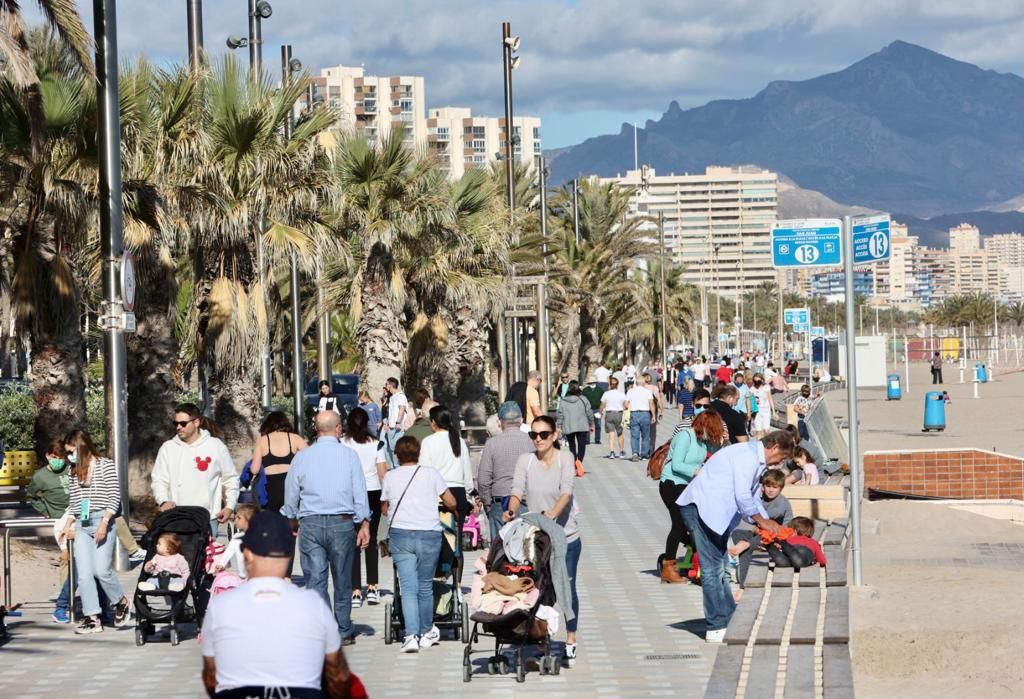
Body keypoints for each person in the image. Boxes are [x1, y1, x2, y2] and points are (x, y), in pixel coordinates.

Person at [201, 510, 365, 699]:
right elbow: (338, 675)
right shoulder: (313, 605)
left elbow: (211, 676)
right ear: (288, 554)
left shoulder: (221, 606)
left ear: (248, 554)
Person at [677, 430, 796, 642]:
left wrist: (767, 524)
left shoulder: (755, 460)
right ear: (774, 447)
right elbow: (742, 496)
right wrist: (762, 521)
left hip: (716, 515)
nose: (780, 463)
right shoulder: (747, 457)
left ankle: (730, 617)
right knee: (712, 569)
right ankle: (716, 626)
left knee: (721, 568)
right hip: (701, 510)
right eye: (782, 457)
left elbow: (751, 497)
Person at [282, 411, 371, 645]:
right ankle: (342, 629)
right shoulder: (349, 456)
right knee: (342, 580)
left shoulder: (302, 457)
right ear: (339, 429)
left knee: (315, 581)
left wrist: (291, 516)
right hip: (342, 523)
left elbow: (291, 490)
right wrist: (364, 522)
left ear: (316, 429)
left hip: (310, 523)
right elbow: (359, 492)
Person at [505, 415, 582, 668]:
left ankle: (570, 639)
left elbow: (566, 492)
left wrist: (553, 514)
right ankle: (542, 641)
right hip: (538, 539)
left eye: (543, 435)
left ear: (555, 435)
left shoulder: (565, 458)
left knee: (566, 588)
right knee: (540, 591)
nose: (538, 439)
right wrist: (512, 508)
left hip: (566, 536)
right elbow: (517, 490)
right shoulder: (525, 461)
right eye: (533, 435)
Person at [381, 436, 458, 653]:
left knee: (408, 588)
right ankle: (426, 632)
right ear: (418, 454)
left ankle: (410, 636)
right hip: (428, 535)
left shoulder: (390, 476)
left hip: (401, 535)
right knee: (425, 586)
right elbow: (451, 501)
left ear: (396, 455)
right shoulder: (431, 473)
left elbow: (384, 508)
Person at [60, 431, 131, 634]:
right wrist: (69, 522)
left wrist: (104, 523)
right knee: (84, 574)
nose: (69, 456)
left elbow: (114, 496)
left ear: (81, 447)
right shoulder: (74, 470)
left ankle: (120, 601)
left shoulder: (104, 465)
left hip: (102, 520)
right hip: (83, 522)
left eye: (71, 452)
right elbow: (75, 500)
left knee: (101, 570)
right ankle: (92, 617)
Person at [151, 403, 239, 537]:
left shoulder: (215, 446)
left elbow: (231, 478)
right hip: (175, 517)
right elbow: (159, 479)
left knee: (205, 557)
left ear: (196, 422)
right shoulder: (168, 448)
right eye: (176, 423)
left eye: (183, 423)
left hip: (207, 518)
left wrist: (229, 506)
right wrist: (163, 500)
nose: (179, 427)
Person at [660, 412, 727, 583]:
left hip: (688, 486)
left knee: (692, 524)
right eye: (711, 431)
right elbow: (676, 464)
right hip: (672, 484)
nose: (711, 436)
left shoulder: (702, 441)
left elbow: (712, 459)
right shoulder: (685, 436)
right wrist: (695, 471)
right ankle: (669, 566)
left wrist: (722, 443)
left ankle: (695, 554)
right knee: (679, 523)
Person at [341, 408, 387, 608]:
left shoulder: (342, 444)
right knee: (372, 539)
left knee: (352, 542)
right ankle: (373, 586)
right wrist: (386, 499)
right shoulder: (377, 444)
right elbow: (383, 473)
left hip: (350, 494)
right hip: (373, 492)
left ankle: (355, 590)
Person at [476, 401, 534, 541]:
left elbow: (483, 479)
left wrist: (487, 504)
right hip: (526, 501)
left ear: (500, 422)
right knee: (525, 547)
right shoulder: (531, 442)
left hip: (499, 501)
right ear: (520, 421)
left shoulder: (491, 444)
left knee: (499, 549)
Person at [728, 469, 792, 587]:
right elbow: (745, 518)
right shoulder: (757, 499)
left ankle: (746, 544)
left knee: (760, 537)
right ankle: (743, 583)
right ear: (763, 486)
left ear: (781, 488)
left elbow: (780, 523)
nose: (771, 490)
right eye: (768, 486)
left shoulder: (782, 503)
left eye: (775, 487)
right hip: (755, 534)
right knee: (738, 534)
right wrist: (755, 529)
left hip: (775, 537)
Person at [419, 406, 474, 531]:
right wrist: (469, 495)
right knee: (456, 542)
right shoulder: (459, 441)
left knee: (442, 542)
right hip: (459, 493)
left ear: (433, 422)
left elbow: (424, 472)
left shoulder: (428, 442)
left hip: (439, 495)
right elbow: (467, 473)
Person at [249, 412, 308, 514]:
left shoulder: (262, 441)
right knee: (291, 519)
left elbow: (254, 469)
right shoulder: (295, 438)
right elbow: (311, 459)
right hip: (291, 483)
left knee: (273, 522)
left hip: (270, 485)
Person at [214, 503, 259, 578]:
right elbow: (229, 551)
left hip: (257, 578)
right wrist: (222, 564)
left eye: (239, 518)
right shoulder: (237, 537)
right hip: (242, 577)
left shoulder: (259, 537)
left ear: (249, 520)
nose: (235, 520)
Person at [557, 380, 595, 463]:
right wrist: (592, 424)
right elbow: (589, 412)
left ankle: (574, 461)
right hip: (582, 426)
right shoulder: (583, 399)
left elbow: (560, 415)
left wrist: (559, 426)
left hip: (568, 426)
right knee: (582, 446)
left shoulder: (563, 401)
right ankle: (579, 462)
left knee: (572, 445)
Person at [382, 377, 413, 469]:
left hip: (397, 428)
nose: (385, 385)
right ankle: (394, 468)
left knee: (397, 449)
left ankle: (399, 468)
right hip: (391, 427)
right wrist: (387, 424)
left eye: (386, 384)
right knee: (390, 449)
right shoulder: (392, 397)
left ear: (391, 385)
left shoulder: (400, 396)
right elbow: (391, 413)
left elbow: (402, 409)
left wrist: (398, 422)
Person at [625, 373, 656, 461]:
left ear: (636, 382)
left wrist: (629, 406)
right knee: (645, 435)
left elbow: (626, 404)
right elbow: (651, 403)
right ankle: (644, 454)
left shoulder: (630, 391)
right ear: (644, 383)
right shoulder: (647, 392)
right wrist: (653, 415)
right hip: (645, 414)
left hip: (634, 414)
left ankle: (635, 452)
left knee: (634, 435)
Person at [600, 376, 628, 459]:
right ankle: (621, 451)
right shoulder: (621, 394)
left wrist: (600, 412)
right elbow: (626, 405)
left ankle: (612, 452)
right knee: (620, 433)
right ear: (617, 385)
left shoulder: (606, 394)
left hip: (609, 414)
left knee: (611, 434)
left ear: (610, 384)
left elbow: (602, 405)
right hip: (619, 414)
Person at [750, 374, 774, 439]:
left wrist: (773, 412)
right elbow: (751, 401)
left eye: (758, 381)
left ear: (762, 380)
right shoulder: (752, 389)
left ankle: (767, 445)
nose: (757, 382)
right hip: (757, 411)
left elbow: (770, 399)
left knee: (766, 430)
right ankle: (759, 447)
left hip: (766, 410)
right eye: (755, 381)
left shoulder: (766, 387)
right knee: (758, 431)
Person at [642, 372, 662, 451]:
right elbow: (659, 399)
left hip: (644, 410)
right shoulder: (654, 387)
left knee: (644, 431)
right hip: (653, 409)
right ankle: (651, 448)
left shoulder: (641, 387)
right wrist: (662, 410)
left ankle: (645, 449)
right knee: (652, 431)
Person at [580, 381, 604, 445]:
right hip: (588, 410)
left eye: (593, 382)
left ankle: (597, 439)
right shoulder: (585, 390)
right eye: (591, 382)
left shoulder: (600, 390)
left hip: (597, 409)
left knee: (598, 425)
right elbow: (582, 399)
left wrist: (601, 410)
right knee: (587, 424)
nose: (592, 383)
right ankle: (587, 440)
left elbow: (603, 400)